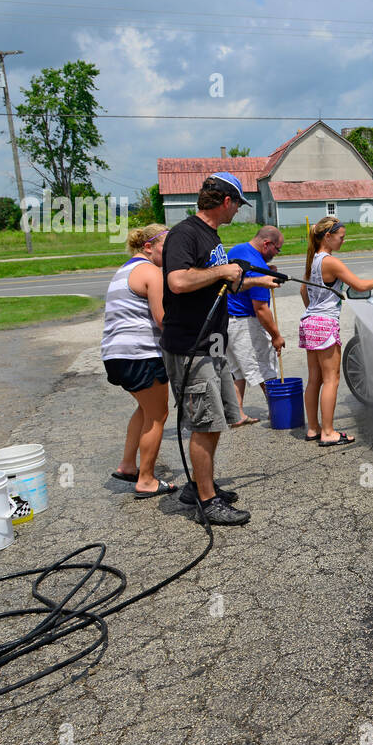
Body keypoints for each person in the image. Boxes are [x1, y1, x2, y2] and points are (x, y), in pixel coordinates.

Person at [161, 172, 281, 525]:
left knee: (216, 420)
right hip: (190, 346)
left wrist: (259, 278)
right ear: (226, 201)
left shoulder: (211, 237)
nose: (238, 213)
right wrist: (222, 271)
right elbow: (179, 281)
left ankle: (200, 484)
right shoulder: (185, 233)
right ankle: (206, 502)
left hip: (211, 344)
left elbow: (223, 281)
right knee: (205, 424)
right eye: (237, 205)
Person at [298, 217, 373, 445]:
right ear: (328, 236)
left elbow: (304, 291)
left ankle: (313, 428)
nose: (343, 240)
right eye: (341, 237)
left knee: (314, 379)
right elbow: (359, 286)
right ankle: (328, 432)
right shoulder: (330, 262)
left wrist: (315, 312)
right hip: (324, 323)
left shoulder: (313, 259)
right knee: (332, 379)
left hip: (309, 321)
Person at [102, 223, 173, 498]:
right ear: (148, 247)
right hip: (141, 354)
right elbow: (162, 319)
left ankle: (127, 466)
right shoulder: (151, 272)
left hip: (115, 355)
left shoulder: (124, 270)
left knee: (145, 410)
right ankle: (146, 480)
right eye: (167, 247)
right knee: (158, 415)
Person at [226, 225, 285, 425]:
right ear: (267, 243)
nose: (276, 254)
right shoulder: (257, 265)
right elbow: (261, 309)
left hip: (228, 321)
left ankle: (236, 414)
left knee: (238, 371)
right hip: (245, 323)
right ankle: (279, 411)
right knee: (265, 368)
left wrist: (266, 269)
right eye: (277, 249)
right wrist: (276, 336)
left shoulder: (238, 250)